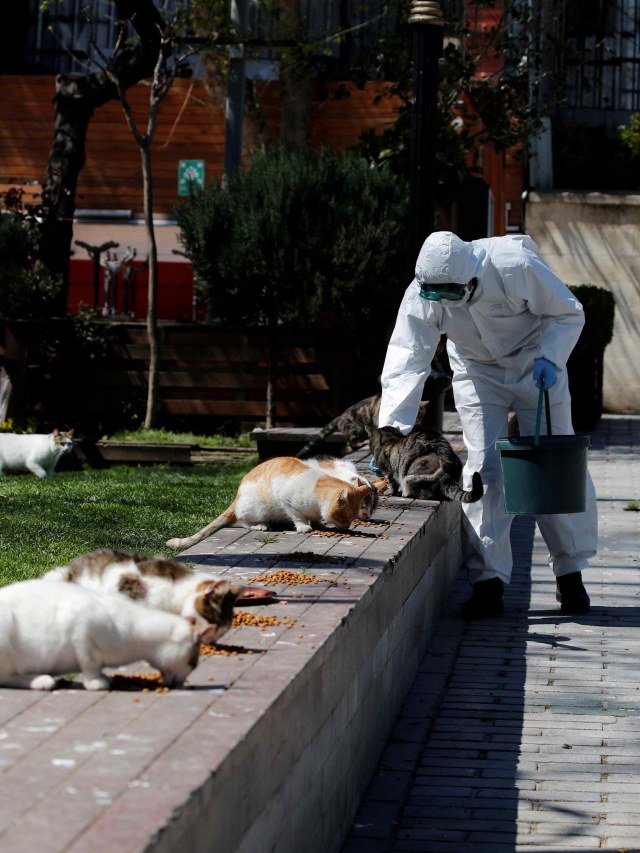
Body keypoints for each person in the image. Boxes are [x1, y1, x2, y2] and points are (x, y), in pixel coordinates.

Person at [377, 230, 598, 618]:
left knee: (555, 467)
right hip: (478, 372)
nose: (443, 302)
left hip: (537, 366)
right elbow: (407, 356)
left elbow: (567, 311)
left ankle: (570, 576)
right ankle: (488, 582)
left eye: (452, 294)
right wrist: (392, 432)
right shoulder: (423, 290)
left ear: (473, 278)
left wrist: (550, 355)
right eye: (436, 295)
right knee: (483, 470)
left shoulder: (514, 265)